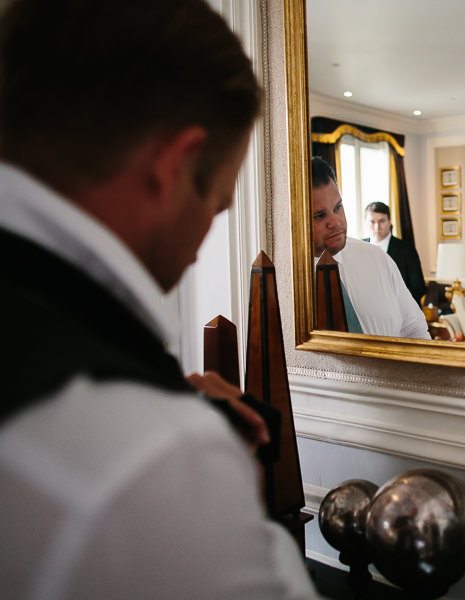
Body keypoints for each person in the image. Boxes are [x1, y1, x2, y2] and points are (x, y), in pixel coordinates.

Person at [0, 1, 318, 598]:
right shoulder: (150, 464)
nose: (199, 250)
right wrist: (202, 466)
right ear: (173, 167)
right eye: (216, 207)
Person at [311, 157, 429, 339]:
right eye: (320, 215)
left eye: (338, 207)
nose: (335, 222)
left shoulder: (377, 258)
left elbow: (414, 329)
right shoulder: (285, 280)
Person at [363, 201, 427, 304]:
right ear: (365, 222)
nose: (377, 227)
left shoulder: (406, 249)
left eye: (381, 221)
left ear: (389, 222)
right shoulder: (358, 248)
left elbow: (418, 288)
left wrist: (391, 303)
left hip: (401, 312)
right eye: (372, 222)